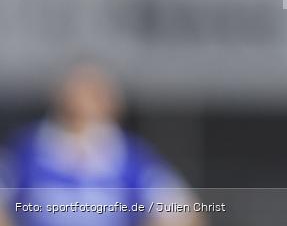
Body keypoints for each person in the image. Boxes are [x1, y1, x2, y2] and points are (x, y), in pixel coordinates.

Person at [0, 62, 204, 226]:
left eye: (96, 92)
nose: (86, 99)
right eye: (80, 89)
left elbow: (183, 210)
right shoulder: (26, 149)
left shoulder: (130, 154)